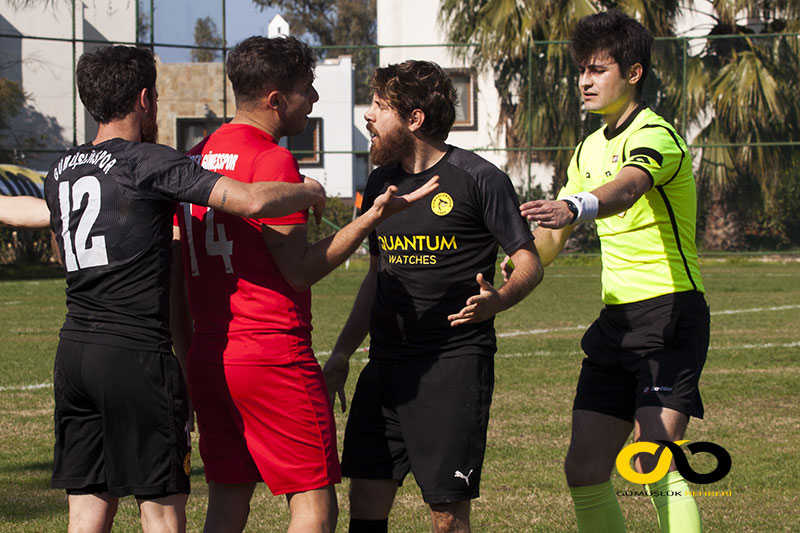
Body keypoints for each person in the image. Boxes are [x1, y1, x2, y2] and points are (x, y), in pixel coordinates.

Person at [44, 45, 330, 533]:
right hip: (136, 354)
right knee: (160, 510)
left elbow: (60, 251)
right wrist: (309, 190)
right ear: (144, 99)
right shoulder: (153, 163)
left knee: (87, 510)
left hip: (74, 351)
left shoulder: (61, 170)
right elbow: (249, 200)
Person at [172, 36, 439, 533]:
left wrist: (189, 358)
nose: (314, 98)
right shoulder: (272, 162)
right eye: (307, 88)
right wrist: (367, 221)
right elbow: (299, 269)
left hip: (210, 357)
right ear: (276, 99)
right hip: (271, 354)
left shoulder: (195, 157)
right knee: (314, 505)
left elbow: (174, 278)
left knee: (227, 503)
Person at [507, 10, 709, 533]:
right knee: (585, 468)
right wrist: (504, 269)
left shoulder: (657, 134)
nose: (584, 81)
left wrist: (576, 206)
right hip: (616, 322)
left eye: (598, 69)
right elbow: (550, 241)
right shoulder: (586, 148)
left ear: (633, 73)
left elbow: (628, 187)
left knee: (653, 460)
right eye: (581, 70)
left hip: (670, 313)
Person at [323, 60, 543, 533]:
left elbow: (528, 260)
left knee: (446, 514)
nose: (368, 117)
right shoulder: (382, 183)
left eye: (379, 107)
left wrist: (498, 300)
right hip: (385, 366)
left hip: (453, 365)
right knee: (364, 498)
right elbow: (378, 275)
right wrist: (342, 352)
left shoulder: (478, 178)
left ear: (414, 118)